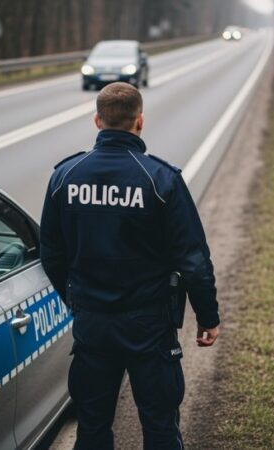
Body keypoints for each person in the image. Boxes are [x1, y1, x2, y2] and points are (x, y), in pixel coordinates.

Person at [40, 82, 220, 450]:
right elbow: (193, 259)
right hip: (149, 326)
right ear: (140, 122)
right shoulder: (160, 179)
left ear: (96, 121)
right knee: (159, 427)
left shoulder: (65, 177)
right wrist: (207, 315)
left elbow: (51, 254)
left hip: (92, 324)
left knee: (91, 428)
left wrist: (74, 297)